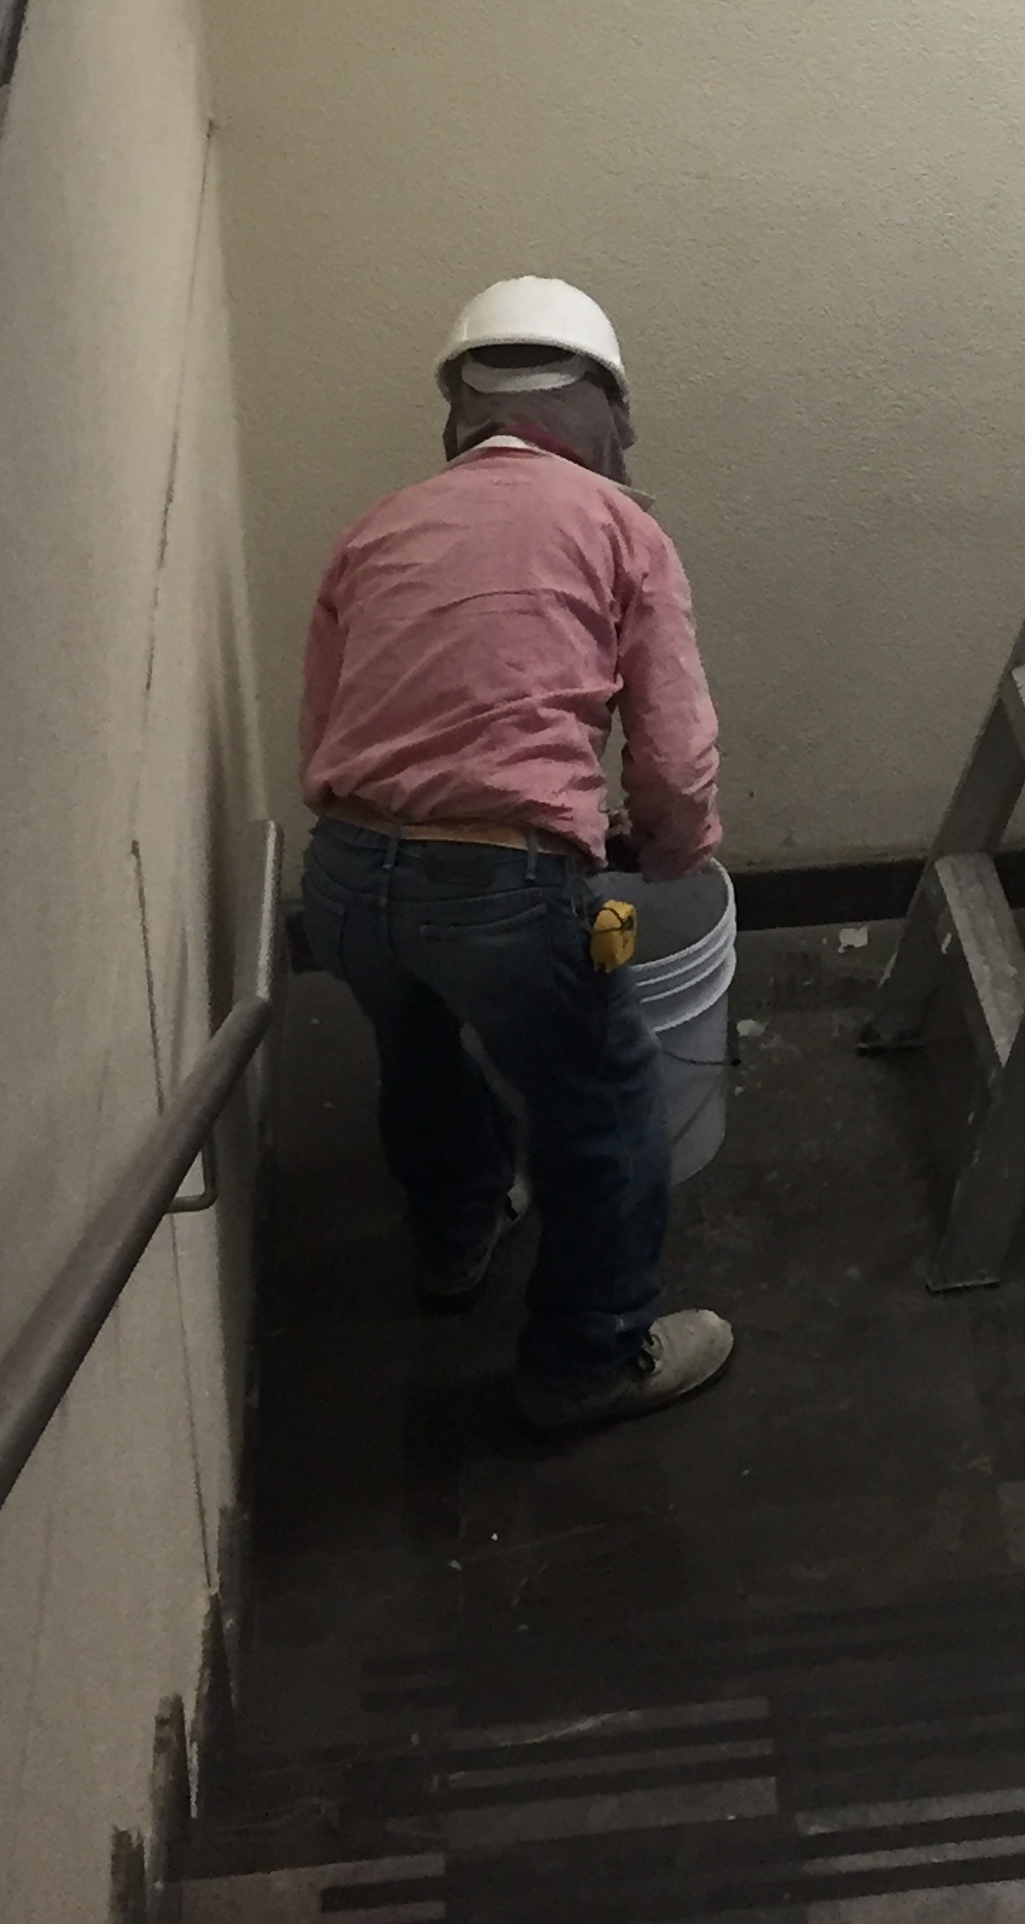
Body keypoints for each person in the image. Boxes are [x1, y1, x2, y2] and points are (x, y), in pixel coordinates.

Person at [297, 276, 734, 1433]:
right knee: (603, 1105)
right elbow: (675, 752)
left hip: (342, 878)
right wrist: (673, 852)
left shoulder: (378, 527)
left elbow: (326, 724)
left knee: (418, 1053)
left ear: (460, 412)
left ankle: (453, 1241)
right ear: (607, 410)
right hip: (500, 886)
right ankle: (588, 1360)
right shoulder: (621, 529)